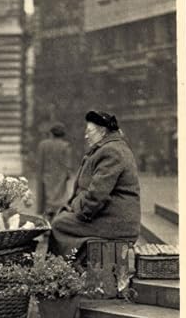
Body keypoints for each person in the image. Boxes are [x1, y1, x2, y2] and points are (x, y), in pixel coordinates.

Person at [48, 111, 141, 260]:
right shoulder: (111, 148)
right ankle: (70, 266)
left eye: (89, 131)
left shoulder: (112, 151)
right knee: (62, 218)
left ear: (102, 131)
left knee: (60, 224)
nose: (86, 136)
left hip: (117, 223)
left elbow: (97, 195)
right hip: (111, 216)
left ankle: (64, 269)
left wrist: (77, 208)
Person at [37, 122, 72, 221]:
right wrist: (66, 175)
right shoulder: (65, 146)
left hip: (45, 178)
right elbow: (68, 166)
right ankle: (56, 226)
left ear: (51, 133)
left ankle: (46, 228)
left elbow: (40, 164)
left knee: (46, 205)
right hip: (60, 180)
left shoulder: (43, 145)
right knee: (59, 205)